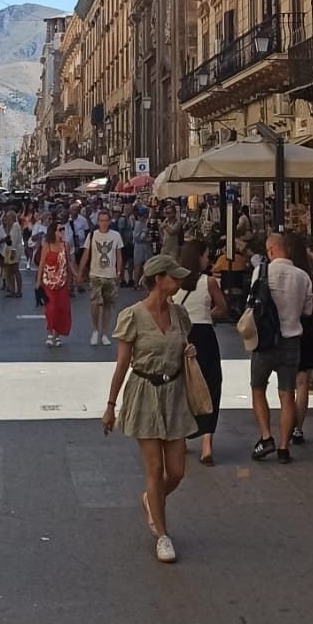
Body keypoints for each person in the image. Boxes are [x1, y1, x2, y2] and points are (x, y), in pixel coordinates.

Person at [103, 252, 199, 564]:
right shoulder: (132, 316)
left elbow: (181, 347)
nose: (179, 281)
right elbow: (122, 364)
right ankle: (163, 535)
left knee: (177, 471)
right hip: (144, 393)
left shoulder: (179, 314)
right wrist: (110, 405)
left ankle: (150, 499)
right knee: (155, 469)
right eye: (174, 276)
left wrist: (189, 352)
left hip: (174, 394)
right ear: (159, 279)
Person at [250, 232, 311, 463]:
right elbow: (307, 311)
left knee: (258, 388)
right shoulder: (302, 276)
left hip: (264, 342)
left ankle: (266, 437)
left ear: (272, 250)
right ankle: (285, 447)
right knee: (287, 394)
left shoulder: (261, 272)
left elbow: (252, 304)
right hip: (291, 341)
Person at [175, 236, 228, 465]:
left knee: (182, 386)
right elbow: (222, 308)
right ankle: (207, 443)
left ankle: (181, 439)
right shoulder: (209, 282)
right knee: (210, 385)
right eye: (206, 255)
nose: (208, 259)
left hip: (182, 337)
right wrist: (207, 314)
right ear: (198, 257)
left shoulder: (174, 281)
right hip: (204, 336)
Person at [283, 232, 313, 445]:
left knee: (287, 382)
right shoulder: (309, 275)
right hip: (307, 328)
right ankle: (297, 429)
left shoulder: (284, 274)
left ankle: (287, 425)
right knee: (303, 382)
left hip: (287, 326)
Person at [82, 206, 124, 346]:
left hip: (110, 275)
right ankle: (95, 330)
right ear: (98, 221)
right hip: (95, 274)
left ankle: (105, 333)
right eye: (101, 220)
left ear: (109, 221)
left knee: (107, 305)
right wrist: (80, 272)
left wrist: (119, 272)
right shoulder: (92, 235)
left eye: (106, 220)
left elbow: (119, 255)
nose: (103, 223)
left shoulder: (116, 236)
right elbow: (86, 254)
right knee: (95, 303)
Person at [39, 220, 75, 348]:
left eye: (63, 229)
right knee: (51, 308)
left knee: (61, 308)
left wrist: (75, 274)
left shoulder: (66, 245)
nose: (62, 232)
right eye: (60, 230)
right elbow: (42, 263)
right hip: (49, 282)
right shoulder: (47, 245)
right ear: (53, 232)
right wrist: (38, 282)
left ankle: (57, 335)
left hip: (62, 282)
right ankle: (50, 332)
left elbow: (69, 262)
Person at [117, 208, 136, 288]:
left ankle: (130, 278)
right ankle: (122, 279)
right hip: (124, 244)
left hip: (130, 243)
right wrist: (121, 244)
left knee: (131, 262)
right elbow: (120, 232)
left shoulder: (130, 219)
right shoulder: (122, 219)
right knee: (123, 262)